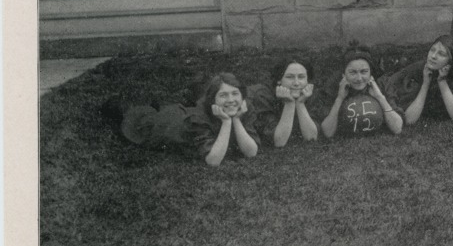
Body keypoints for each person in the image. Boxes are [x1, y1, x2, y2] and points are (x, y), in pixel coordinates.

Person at [106, 72, 260, 166]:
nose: (231, 100)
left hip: (182, 115)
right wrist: (226, 122)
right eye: (223, 95)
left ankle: (160, 104)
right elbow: (213, 160)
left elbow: (251, 152)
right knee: (141, 120)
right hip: (169, 125)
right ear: (212, 100)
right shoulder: (198, 119)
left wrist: (236, 120)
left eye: (235, 93)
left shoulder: (243, 108)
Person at [378, 35, 453, 124]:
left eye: (441, 54)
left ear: (451, 61)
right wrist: (425, 84)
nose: (433, 56)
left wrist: (442, 81)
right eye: (432, 50)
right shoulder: (420, 68)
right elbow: (409, 119)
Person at [321, 48, 404, 138]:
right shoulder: (335, 89)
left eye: (364, 72)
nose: (359, 78)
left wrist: (380, 97)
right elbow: (328, 133)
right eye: (352, 72)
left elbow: (397, 128)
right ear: (343, 74)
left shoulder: (381, 86)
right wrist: (340, 98)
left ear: (370, 73)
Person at [247, 58, 322, 147]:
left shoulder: (308, 94)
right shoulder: (263, 95)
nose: (296, 83)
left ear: (307, 80)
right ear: (279, 80)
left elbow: (311, 138)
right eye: (290, 77)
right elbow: (279, 142)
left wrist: (300, 103)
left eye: (301, 77)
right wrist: (289, 103)